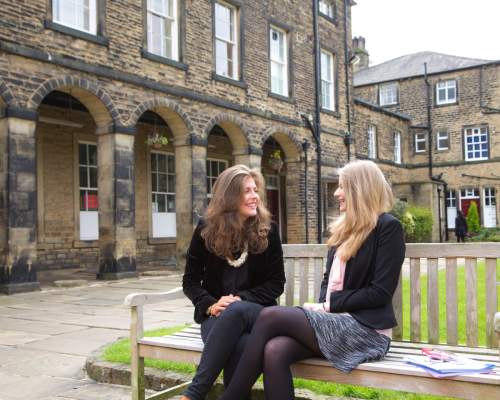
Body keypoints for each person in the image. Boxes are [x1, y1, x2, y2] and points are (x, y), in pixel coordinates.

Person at [219, 160, 406, 400]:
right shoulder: (343, 230)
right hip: (333, 324)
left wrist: (328, 306)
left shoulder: (387, 228)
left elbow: (380, 292)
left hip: (366, 331)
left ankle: (231, 397)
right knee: (274, 350)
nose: (337, 192)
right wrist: (323, 308)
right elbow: (329, 282)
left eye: (342, 187)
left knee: (270, 315)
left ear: (360, 190)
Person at [180, 164, 285, 400]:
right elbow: (190, 281)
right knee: (241, 344)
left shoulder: (268, 231)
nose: (254, 196)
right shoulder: (205, 230)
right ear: (229, 196)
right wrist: (209, 304)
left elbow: (276, 283)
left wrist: (240, 300)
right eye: (247, 191)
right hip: (217, 315)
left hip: (258, 314)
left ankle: (193, 394)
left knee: (236, 313)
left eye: (255, 189)